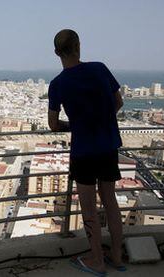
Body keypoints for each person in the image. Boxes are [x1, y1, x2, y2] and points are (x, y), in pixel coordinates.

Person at [47, 29, 126, 276]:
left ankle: (96, 260)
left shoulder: (57, 84)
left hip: (83, 150)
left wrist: (75, 125)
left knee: (89, 208)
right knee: (110, 201)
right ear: (79, 46)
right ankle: (116, 255)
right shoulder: (100, 69)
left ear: (56, 53)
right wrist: (101, 120)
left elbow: (53, 124)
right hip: (108, 144)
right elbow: (119, 102)